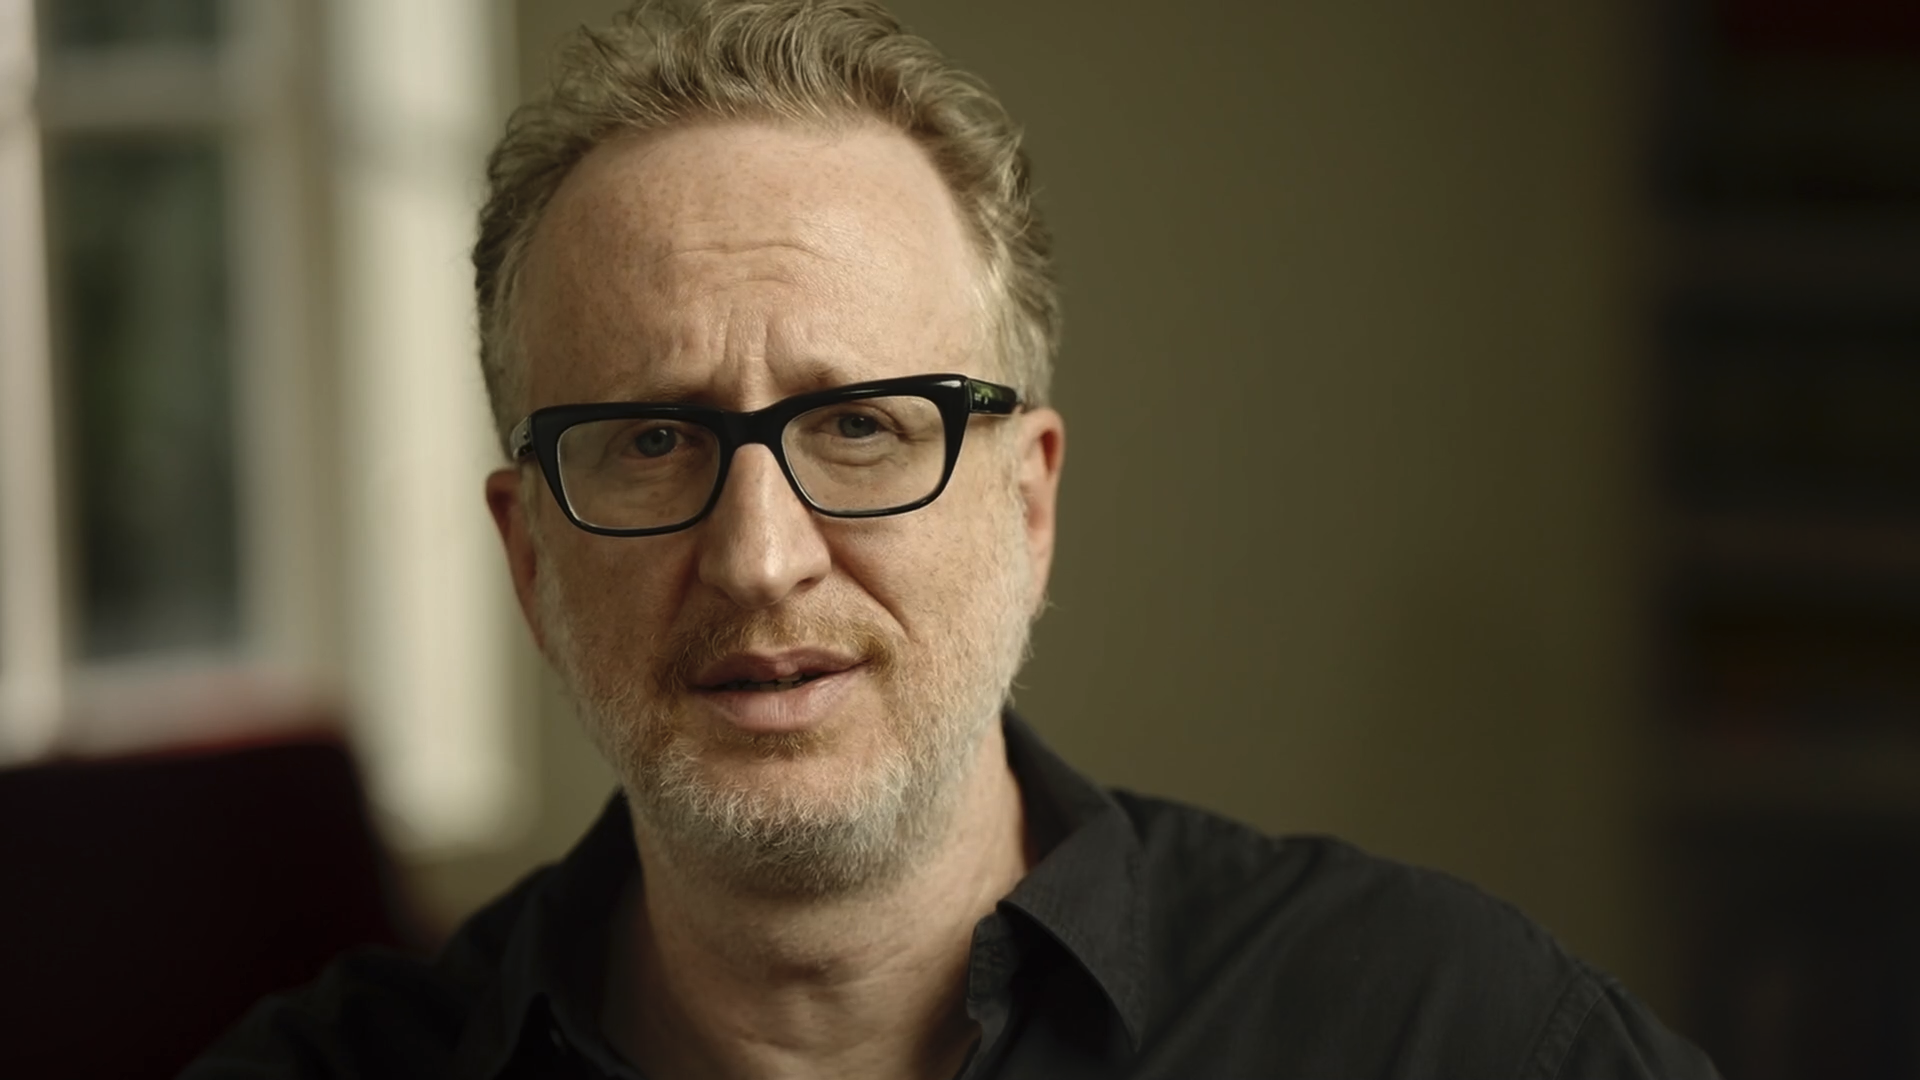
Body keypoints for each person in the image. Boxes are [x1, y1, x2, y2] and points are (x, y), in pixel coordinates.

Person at [186, 2, 1720, 1077]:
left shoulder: (1439, 1032)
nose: (761, 557)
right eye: (651, 442)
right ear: (530, 558)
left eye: (862, 425)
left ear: (1028, 504)